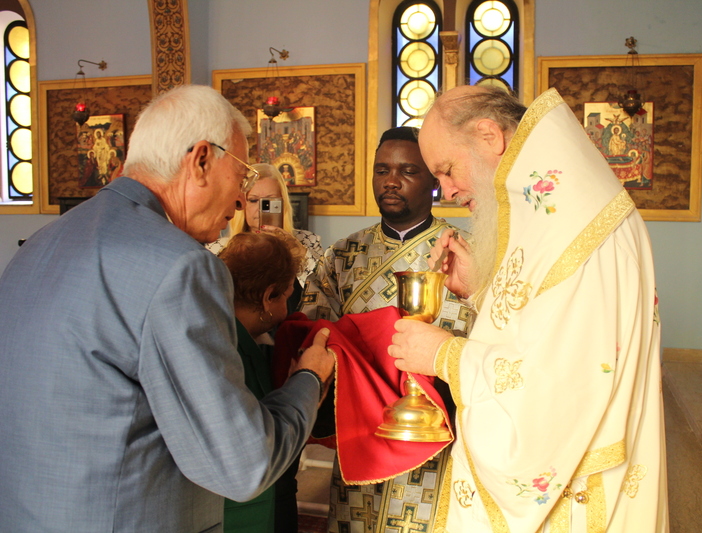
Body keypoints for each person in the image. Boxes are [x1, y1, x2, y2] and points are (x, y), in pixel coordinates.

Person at [0, 84, 335, 532]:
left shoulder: (41, 243)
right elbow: (244, 464)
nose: (241, 201)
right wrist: (308, 380)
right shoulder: (180, 266)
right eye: (241, 178)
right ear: (201, 161)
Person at [389, 86, 668, 532]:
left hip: (577, 492)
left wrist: (445, 355)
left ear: (489, 136)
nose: (447, 190)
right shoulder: (558, 208)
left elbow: (558, 386)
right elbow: (551, 326)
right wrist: (483, 290)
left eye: (447, 170)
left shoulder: (574, 226)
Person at [299, 126, 474, 533]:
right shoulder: (342, 255)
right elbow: (315, 331)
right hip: (361, 429)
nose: (391, 181)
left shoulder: (463, 252)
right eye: (382, 170)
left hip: (437, 431)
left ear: (433, 181)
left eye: (408, 171)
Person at [218, 231, 308, 533]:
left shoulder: (228, 331)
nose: (286, 310)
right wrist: (307, 381)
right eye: (286, 296)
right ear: (269, 296)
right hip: (242, 508)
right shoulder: (232, 349)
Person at [207, 163, 322, 291]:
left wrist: (298, 252)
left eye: (269, 202)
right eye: (253, 200)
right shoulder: (217, 249)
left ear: (283, 203)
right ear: (242, 203)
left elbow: (326, 290)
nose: (261, 209)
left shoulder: (309, 241)